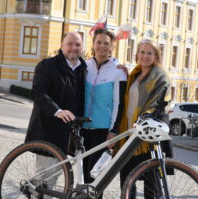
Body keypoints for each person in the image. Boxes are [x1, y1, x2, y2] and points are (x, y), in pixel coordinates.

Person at [25, 32, 87, 199]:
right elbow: (38, 93)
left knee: (56, 176)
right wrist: (58, 111)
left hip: (68, 135)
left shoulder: (83, 69)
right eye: (70, 44)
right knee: (45, 179)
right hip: (47, 129)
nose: (74, 48)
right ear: (62, 45)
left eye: (78, 44)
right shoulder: (47, 65)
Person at [117, 39, 173, 199]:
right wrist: (123, 73)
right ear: (137, 55)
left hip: (147, 135)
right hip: (129, 132)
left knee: (151, 184)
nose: (145, 56)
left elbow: (157, 102)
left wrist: (142, 119)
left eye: (150, 53)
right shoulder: (134, 74)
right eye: (142, 52)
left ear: (156, 56)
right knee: (127, 180)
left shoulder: (160, 76)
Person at [81, 29, 127, 193]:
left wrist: (114, 130)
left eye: (106, 43)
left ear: (112, 46)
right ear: (93, 44)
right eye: (98, 42)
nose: (102, 46)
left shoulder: (118, 71)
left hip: (102, 130)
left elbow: (119, 103)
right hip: (82, 128)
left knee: (95, 176)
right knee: (81, 176)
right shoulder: (85, 66)